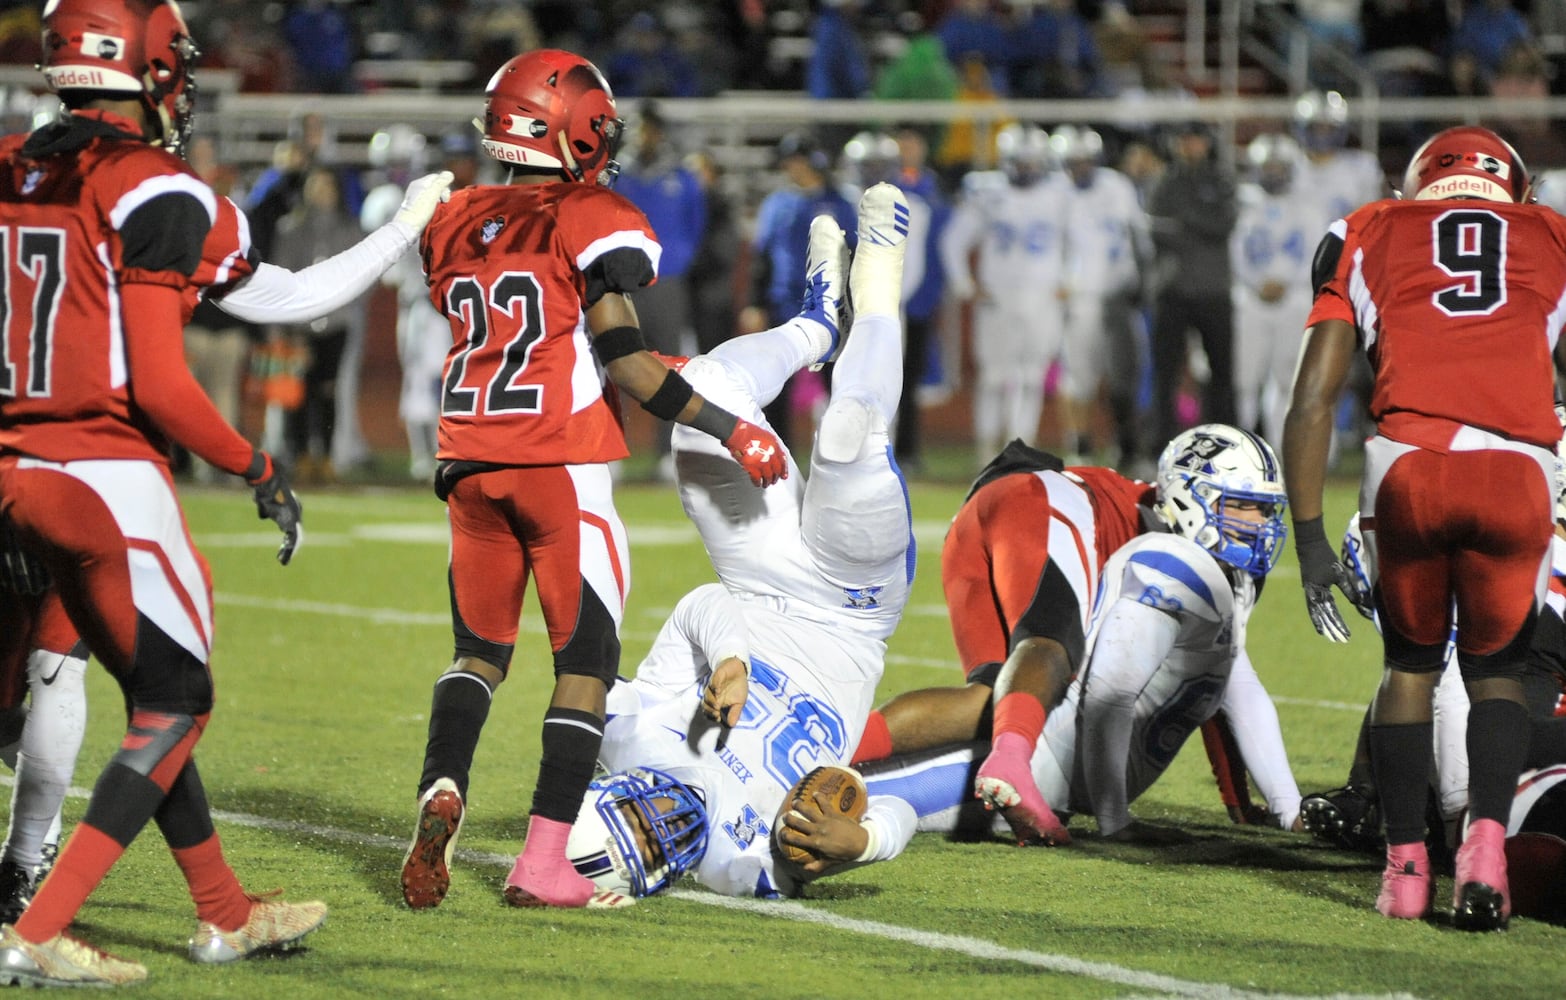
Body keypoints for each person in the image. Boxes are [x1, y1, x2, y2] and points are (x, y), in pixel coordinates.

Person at [0, 0, 449, 984]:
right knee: (178, 699)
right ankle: (38, 924)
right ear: (151, 64)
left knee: (135, 692)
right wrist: (256, 464)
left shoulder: (9, 166)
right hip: (100, 473)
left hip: (9, 467)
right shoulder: (153, 186)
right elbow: (189, 364)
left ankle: (223, 910)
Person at [397, 49, 788, 913]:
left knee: (477, 655)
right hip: (558, 468)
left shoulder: (455, 218)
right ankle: (541, 863)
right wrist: (734, 428)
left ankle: (441, 784)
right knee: (584, 667)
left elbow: (525, 331)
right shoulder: (587, 212)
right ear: (571, 127)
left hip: (468, 465)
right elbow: (629, 368)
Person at [564, 184, 921, 899]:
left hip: (755, 580)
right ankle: (879, 285)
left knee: (699, 402)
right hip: (849, 618)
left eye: (631, 814)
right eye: (648, 843)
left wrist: (728, 657)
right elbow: (893, 810)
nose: (657, 820)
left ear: (610, 789)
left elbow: (699, 604)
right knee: (849, 433)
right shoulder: (746, 864)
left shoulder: (627, 736)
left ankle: (818, 326)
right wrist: (867, 840)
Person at [1282, 125, 1566, 931]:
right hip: (1518, 468)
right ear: (1512, 183)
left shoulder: (1369, 227)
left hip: (1409, 462)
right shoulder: (1550, 232)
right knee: (1499, 671)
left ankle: (1405, 871)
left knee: (1409, 666)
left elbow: (1312, 400)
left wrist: (1308, 542)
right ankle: (1484, 854)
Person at [852, 426, 1304, 841]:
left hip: (984, 521)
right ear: (1190, 498)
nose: (1259, 524)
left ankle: (836, 744)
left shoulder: (1219, 565)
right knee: (1050, 647)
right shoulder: (1172, 548)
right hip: (1038, 504)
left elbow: (1215, 672)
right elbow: (1211, 682)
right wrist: (1115, 819)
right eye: (1243, 506)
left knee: (995, 700)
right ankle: (1010, 763)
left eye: (1265, 510)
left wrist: (1238, 803)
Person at [940, 123, 1071, 465]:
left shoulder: (1060, 195)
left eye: (1031, 162)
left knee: (1032, 377)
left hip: (1042, 299)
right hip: (997, 299)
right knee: (993, 379)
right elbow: (953, 241)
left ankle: (1021, 450)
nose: (1026, 169)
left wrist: (1069, 280)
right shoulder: (988, 193)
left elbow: (1082, 243)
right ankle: (987, 452)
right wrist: (966, 285)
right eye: (1020, 162)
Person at [739, 131, 856, 452]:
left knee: (837, 385)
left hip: (830, 307)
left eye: (798, 161)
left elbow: (855, 256)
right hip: (784, 304)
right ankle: (780, 453)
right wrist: (755, 302)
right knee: (777, 385)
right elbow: (762, 256)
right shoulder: (777, 204)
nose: (793, 168)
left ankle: (842, 453)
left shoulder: (839, 203)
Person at [613, 101, 707, 474]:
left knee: (669, 369)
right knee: (616, 362)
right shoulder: (618, 174)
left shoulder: (682, 177)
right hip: (623, 283)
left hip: (667, 281)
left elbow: (695, 226)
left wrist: (679, 261)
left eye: (651, 128)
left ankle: (669, 452)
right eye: (640, 128)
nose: (645, 136)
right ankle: (613, 451)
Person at [1052, 124, 1149, 465]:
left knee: (1125, 374)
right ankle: (1079, 446)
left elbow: (1138, 234)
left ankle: (1127, 447)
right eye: (1073, 161)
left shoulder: (1116, 186)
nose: (1080, 167)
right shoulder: (1056, 194)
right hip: (1079, 298)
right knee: (1078, 376)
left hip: (1119, 295)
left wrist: (1141, 280)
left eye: (1085, 160)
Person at [1146, 122, 1238, 460]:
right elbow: (1156, 229)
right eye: (1184, 139)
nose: (1190, 145)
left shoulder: (1220, 180)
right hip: (1172, 288)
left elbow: (1224, 224)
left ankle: (1227, 445)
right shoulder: (1164, 181)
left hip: (1213, 289)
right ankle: (1161, 446)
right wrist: (1199, 220)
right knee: (1164, 375)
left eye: (1195, 139)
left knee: (1222, 373)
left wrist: (1186, 219)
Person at [1231, 133, 1321, 448]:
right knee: (1245, 378)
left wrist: (1285, 282)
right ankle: (1241, 446)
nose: (1272, 173)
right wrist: (1257, 283)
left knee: (1287, 377)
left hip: (1293, 297)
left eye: (1278, 167)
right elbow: (1236, 254)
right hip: (1250, 298)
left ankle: (1281, 448)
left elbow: (1315, 254)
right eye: (1267, 167)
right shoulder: (1243, 203)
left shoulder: (1308, 206)